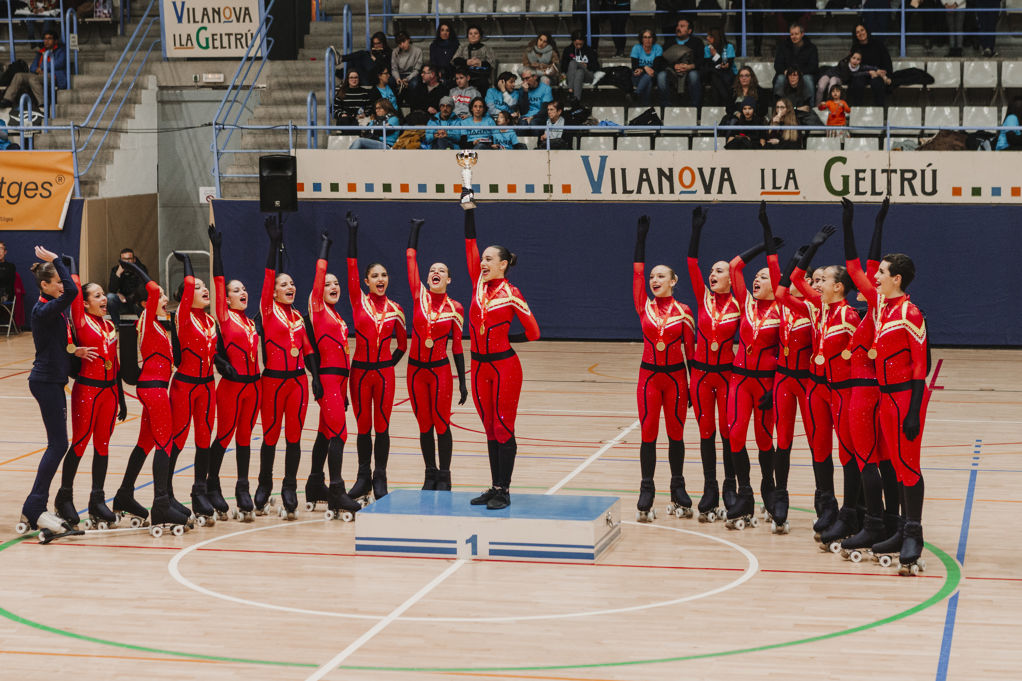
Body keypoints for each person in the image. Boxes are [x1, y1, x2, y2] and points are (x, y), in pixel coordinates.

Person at [463, 201, 540, 510]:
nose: (483, 262)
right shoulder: (477, 286)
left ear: (504, 264)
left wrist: (507, 340)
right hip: (478, 368)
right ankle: (494, 485)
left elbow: (534, 332)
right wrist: (468, 210)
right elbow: (469, 244)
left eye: (489, 259)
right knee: (488, 427)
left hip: (504, 367)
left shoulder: (512, 294)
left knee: (503, 427)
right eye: (482, 258)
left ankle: (504, 490)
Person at [789, 229, 863, 550]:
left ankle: (852, 512)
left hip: (841, 392)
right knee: (820, 450)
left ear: (838, 286)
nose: (815, 285)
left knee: (848, 453)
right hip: (814, 389)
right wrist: (813, 247)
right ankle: (828, 506)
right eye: (814, 282)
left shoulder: (850, 316)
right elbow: (791, 280)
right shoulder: (816, 309)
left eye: (822, 281)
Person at [838, 197, 904, 560]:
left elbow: (856, 264)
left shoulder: (879, 305)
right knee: (883, 459)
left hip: (865, 390)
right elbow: (867, 264)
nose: (872, 275)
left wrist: (851, 225)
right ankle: (888, 522)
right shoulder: (877, 306)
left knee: (868, 458)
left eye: (878, 274)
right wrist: (875, 221)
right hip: (876, 388)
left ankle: (875, 524)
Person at [116, 256, 194, 531]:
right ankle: (161, 504)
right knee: (165, 443)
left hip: (155, 388)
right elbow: (150, 291)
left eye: (163, 295)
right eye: (159, 295)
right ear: (147, 303)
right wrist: (133, 266)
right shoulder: (148, 320)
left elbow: (182, 296)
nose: (162, 297)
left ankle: (124, 493)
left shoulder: (163, 325)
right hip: (153, 389)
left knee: (146, 444)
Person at [17, 248, 88, 540]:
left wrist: (74, 351)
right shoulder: (43, 308)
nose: (62, 284)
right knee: (58, 444)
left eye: (61, 280)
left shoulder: (51, 309)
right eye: (56, 280)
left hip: (53, 378)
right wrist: (57, 258)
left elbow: (57, 343)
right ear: (45, 286)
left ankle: (35, 505)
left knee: (59, 443)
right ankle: (35, 507)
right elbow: (73, 291)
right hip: (45, 381)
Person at [255, 216, 321, 520]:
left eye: (292, 283)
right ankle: (264, 484)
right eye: (284, 284)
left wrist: (315, 378)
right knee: (271, 436)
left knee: (293, 436)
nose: (289, 286)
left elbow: (308, 349)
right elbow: (269, 275)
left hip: (296, 383)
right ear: (273, 292)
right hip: (271, 382)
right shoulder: (267, 312)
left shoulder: (299, 317)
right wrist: (271, 244)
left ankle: (289, 486)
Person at [631, 216, 696, 522]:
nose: (654, 281)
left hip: (676, 380)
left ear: (674, 281)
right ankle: (646, 487)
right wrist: (641, 239)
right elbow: (637, 273)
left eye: (661, 277)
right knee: (648, 433)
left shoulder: (684, 312)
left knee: (676, 434)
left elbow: (692, 354)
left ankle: (678, 487)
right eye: (653, 277)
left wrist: (693, 386)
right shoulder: (643, 305)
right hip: (649, 378)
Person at [55, 257, 127, 529]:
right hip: (87, 391)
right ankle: (64, 498)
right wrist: (68, 265)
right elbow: (73, 286)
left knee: (103, 446)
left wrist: (120, 397)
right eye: (97, 296)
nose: (103, 299)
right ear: (84, 303)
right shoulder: (81, 321)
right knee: (81, 443)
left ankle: (97, 500)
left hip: (109, 393)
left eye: (103, 295)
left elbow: (116, 366)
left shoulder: (110, 327)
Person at [724, 207, 782, 528]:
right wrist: (763, 240)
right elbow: (735, 266)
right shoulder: (745, 300)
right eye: (756, 277)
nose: (757, 280)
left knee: (764, 440)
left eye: (764, 277)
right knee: (735, 435)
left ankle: (768, 489)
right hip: (739, 380)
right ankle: (744, 494)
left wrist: (774, 390)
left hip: (766, 385)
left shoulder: (783, 310)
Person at [872, 251, 930, 574]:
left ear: (897, 278)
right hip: (884, 399)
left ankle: (913, 535)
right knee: (894, 466)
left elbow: (920, 366)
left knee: (909, 467)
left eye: (881, 272)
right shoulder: (883, 310)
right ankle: (898, 530)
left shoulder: (911, 313)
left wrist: (913, 413)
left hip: (904, 400)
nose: (875, 277)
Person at [345, 212, 407, 503]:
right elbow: (351, 268)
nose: (380, 279)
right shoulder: (358, 302)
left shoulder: (396, 309)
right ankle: (362, 477)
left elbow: (403, 346)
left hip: (383, 374)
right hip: (358, 373)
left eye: (383, 275)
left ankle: (380, 476)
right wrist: (353, 236)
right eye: (374, 276)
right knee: (363, 427)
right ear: (366, 281)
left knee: (382, 426)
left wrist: (386, 365)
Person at [687, 208, 742, 523]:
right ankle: (709, 487)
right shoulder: (702, 297)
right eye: (712, 270)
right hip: (700, 375)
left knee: (728, 432)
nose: (713, 273)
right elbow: (692, 264)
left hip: (727, 376)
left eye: (720, 270)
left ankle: (730, 486)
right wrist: (697, 231)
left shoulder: (740, 304)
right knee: (706, 431)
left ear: (729, 278)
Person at [406, 218, 468, 491]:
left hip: (441, 370)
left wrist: (463, 382)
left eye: (441, 270)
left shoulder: (456, 307)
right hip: (415, 371)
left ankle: (445, 475)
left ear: (449, 279)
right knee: (424, 425)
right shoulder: (418, 295)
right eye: (432, 269)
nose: (435, 272)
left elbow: (457, 346)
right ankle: (429, 474)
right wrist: (415, 230)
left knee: (442, 424)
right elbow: (410, 260)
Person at [206, 225, 262, 522]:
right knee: (224, 436)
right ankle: (211, 484)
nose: (243, 293)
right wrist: (217, 250)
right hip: (231, 388)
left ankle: (243, 488)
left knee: (245, 438)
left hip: (254, 389)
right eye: (236, 290)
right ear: (226, 300)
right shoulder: (225, 318)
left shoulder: (253, 324)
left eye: (244, 289)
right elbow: (218, 281)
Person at [306, 230, 362, 518]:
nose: (333, 286)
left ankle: (315, 483)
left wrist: (345, 393)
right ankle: (337, 490)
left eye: (337, 283)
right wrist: (325, 248)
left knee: (325, 432)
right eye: (328, 284)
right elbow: (318, 280)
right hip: (328, 378)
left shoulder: (338, 315)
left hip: (340, 382)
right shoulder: (317, 309)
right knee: (339, 433)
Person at [168, 252, 219, 526]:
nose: (204, 289)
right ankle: (166, 494)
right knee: (177, 440)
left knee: (203, 438)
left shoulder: (211, 322)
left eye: (204, 286)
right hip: (185, 386)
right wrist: (187, 263)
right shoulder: (183, 316)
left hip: (207, 386)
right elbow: (187, 287)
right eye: (198, 287)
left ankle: (199, 491)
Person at [662, 18, 704, 109]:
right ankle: (665, 107)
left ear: (689, 31)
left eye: (682, 26)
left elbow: (701, 60)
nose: (678, 28)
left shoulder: (697, 42)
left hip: (690, 70)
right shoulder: (669, 42)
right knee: (661, 76)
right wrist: (674, 66)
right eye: (677, 26)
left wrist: (690, 66)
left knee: (694, 76)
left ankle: (696, 108)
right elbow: (663, 61)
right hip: (672, 70)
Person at [848, 24, 892, 107]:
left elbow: (887, 61)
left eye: (862, 30)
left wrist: (885, 75)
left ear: (866, 31)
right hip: (861, 74)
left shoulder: (878, 44)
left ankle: (879, 111)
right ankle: (857, 111)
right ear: (855, 35)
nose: (861, 33)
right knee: (857, 83)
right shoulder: (855, 48)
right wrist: (869, 72)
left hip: (878, 73)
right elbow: (854, 67)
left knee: (877, 83)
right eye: (857, 32)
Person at [772, 24, 818, 100]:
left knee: (808, 80)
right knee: (780, 79)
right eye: (792, 34)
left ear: (802, 34)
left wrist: (800, 73)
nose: (794, 37)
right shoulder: (783, 46)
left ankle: (810, 108)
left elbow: (813, 66)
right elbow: (777, 65)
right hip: (787, 74)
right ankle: (778, 106)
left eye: (796, 34)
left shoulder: (811, 47)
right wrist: (786, 72)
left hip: (804, 74)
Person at [107, 247, 148, 327]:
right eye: (124, 259)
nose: (126, 261)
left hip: (135, 302)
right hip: (123, 304)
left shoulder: (141, 269)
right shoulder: (116, 270)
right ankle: (117, 325)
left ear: (134, 260)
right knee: (110, 297)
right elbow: (112, 289)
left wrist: (127, 298)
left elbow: (142, 290)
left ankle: (144, 327)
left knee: (140, 301)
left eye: (129, 259)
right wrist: (118, 274)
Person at [560, 30, 601, 104]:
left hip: (588, 75)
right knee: (579, 72)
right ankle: (576, 101)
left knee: (574, 63)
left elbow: (596, 66)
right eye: (576, 44)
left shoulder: (589, 50)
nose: (579, 46)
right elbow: (563, 67)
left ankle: (570, 90)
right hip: (571, 76)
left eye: (580, 44)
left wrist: (586, 65)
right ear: (573, 42)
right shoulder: (568, 50)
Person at [451, 25, 496, 92]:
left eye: (476, 33)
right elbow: (454, 61)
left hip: (481, 77)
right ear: (467, 36)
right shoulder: (462, 48)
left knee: (483, 83)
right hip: (464, 77)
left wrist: (480, 63)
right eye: (470, 33)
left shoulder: (487, 49)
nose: (473, 35)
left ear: (480, 35)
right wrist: (467, 62)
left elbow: (492, 64)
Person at [630, 29, 665, 107]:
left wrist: (643, 68)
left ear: (653, 39)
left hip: (653, 75)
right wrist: (644, 68)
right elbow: (634, 66)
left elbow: (656, 67)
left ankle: (636, 93)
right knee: (648, 81)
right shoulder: (636, 48)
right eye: (645, 37)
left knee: (649, 76)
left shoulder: (657, 48)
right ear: (641, 39)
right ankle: (646, 106)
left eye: (650, 37)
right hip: (639, 76)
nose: (647, 40)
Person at [702, 26, 736, 106]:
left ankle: (718, 105)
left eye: (710, 36)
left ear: (716, 37)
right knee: (715, 75)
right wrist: (718, 60)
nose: (707, 38)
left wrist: (716, 56)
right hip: (714, 74)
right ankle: (728, 103)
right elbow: (709, 66)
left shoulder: (729, 47)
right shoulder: (707, 48)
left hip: (728, 74)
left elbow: (728, 65)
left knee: (716, 81)